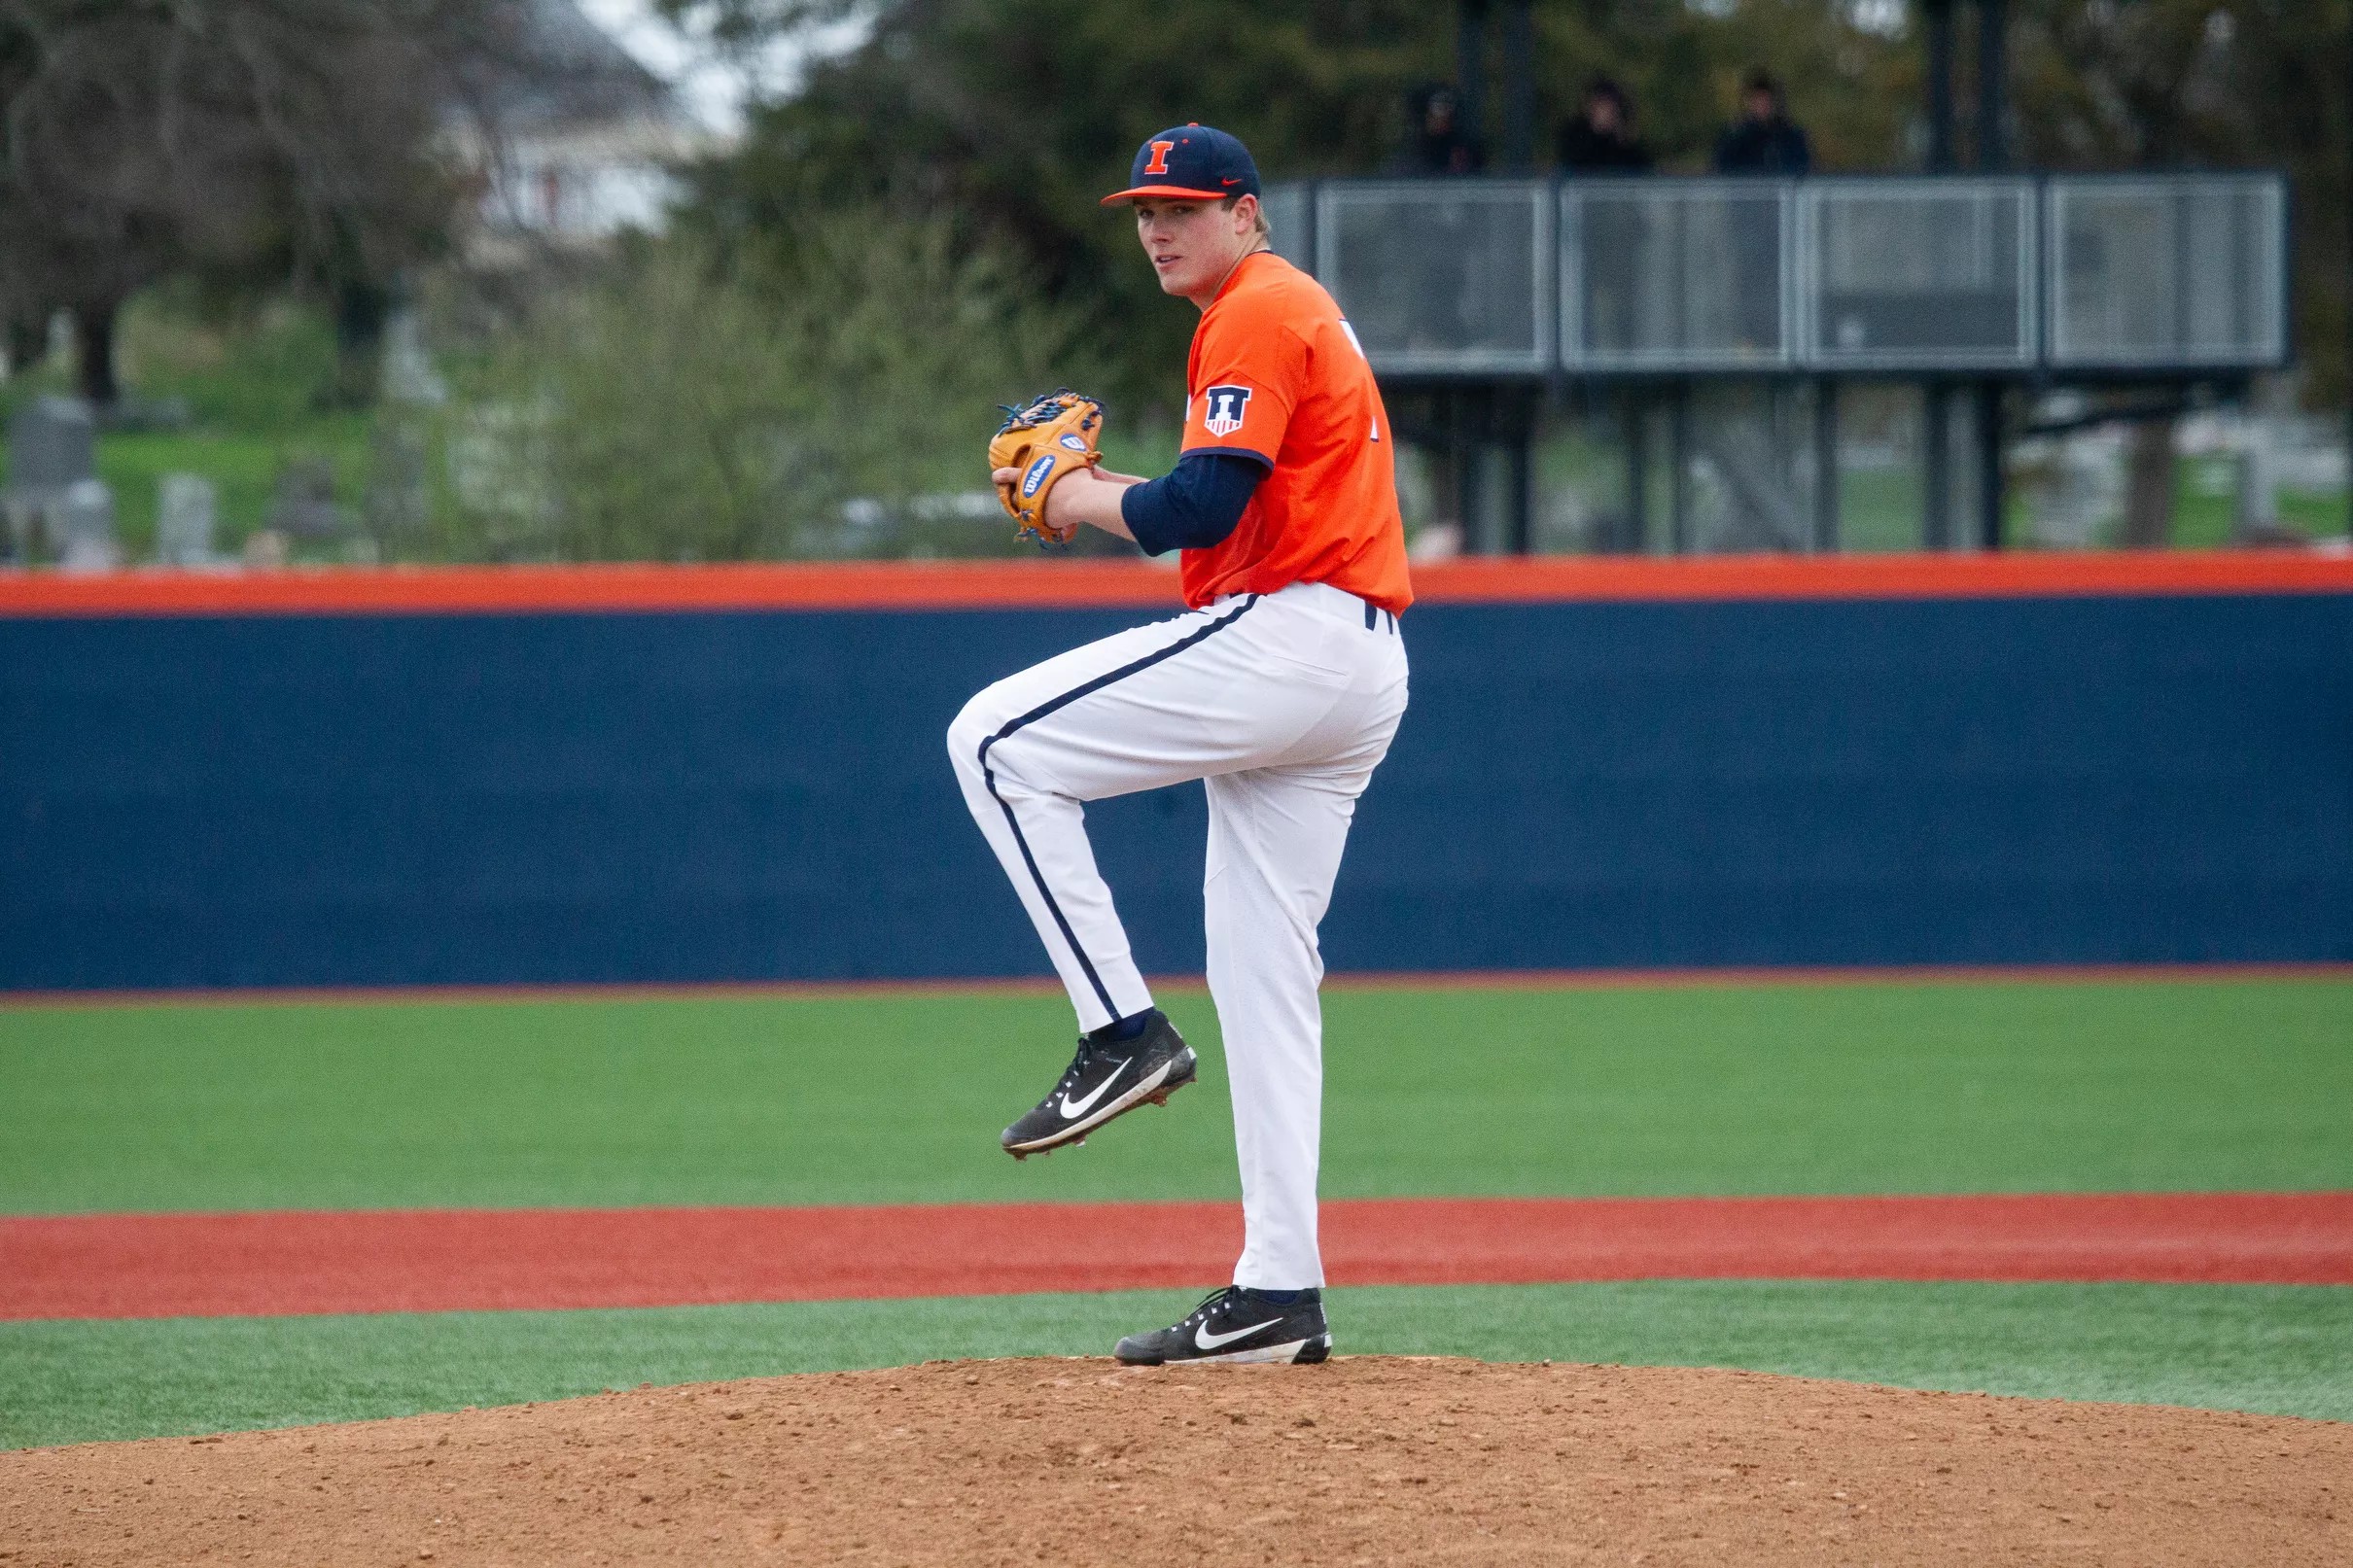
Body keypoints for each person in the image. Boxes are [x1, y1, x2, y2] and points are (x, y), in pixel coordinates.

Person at [949, 123, 1413, 1367]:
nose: (1158, 227)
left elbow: (1193, 508)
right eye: (1145, 209)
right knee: (1264, 977)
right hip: (1352, 660)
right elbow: (1222, 499)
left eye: (1186, 207)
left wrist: (1073, 495)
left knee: (991, 739)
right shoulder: (1282, 307)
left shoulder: (1258, 306)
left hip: (1294, 636)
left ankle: (1119, 1031)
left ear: (1246, 214)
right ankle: (1278, 1291)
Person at [1712, 68, 1811, 175]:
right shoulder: (1735, 138)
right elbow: (1723, 170)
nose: (1762, 105)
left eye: (1766, 100)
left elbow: (1802, 168)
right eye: (1757, 100)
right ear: (1749, 102)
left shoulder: (1789, 136)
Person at [1556, 76, 1652, 173]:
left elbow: (1639, 170)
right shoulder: (1576, 141)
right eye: (1601, 106)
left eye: (1610, 108)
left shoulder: (1627, 152)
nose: (1605, 113)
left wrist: (1621, 138)